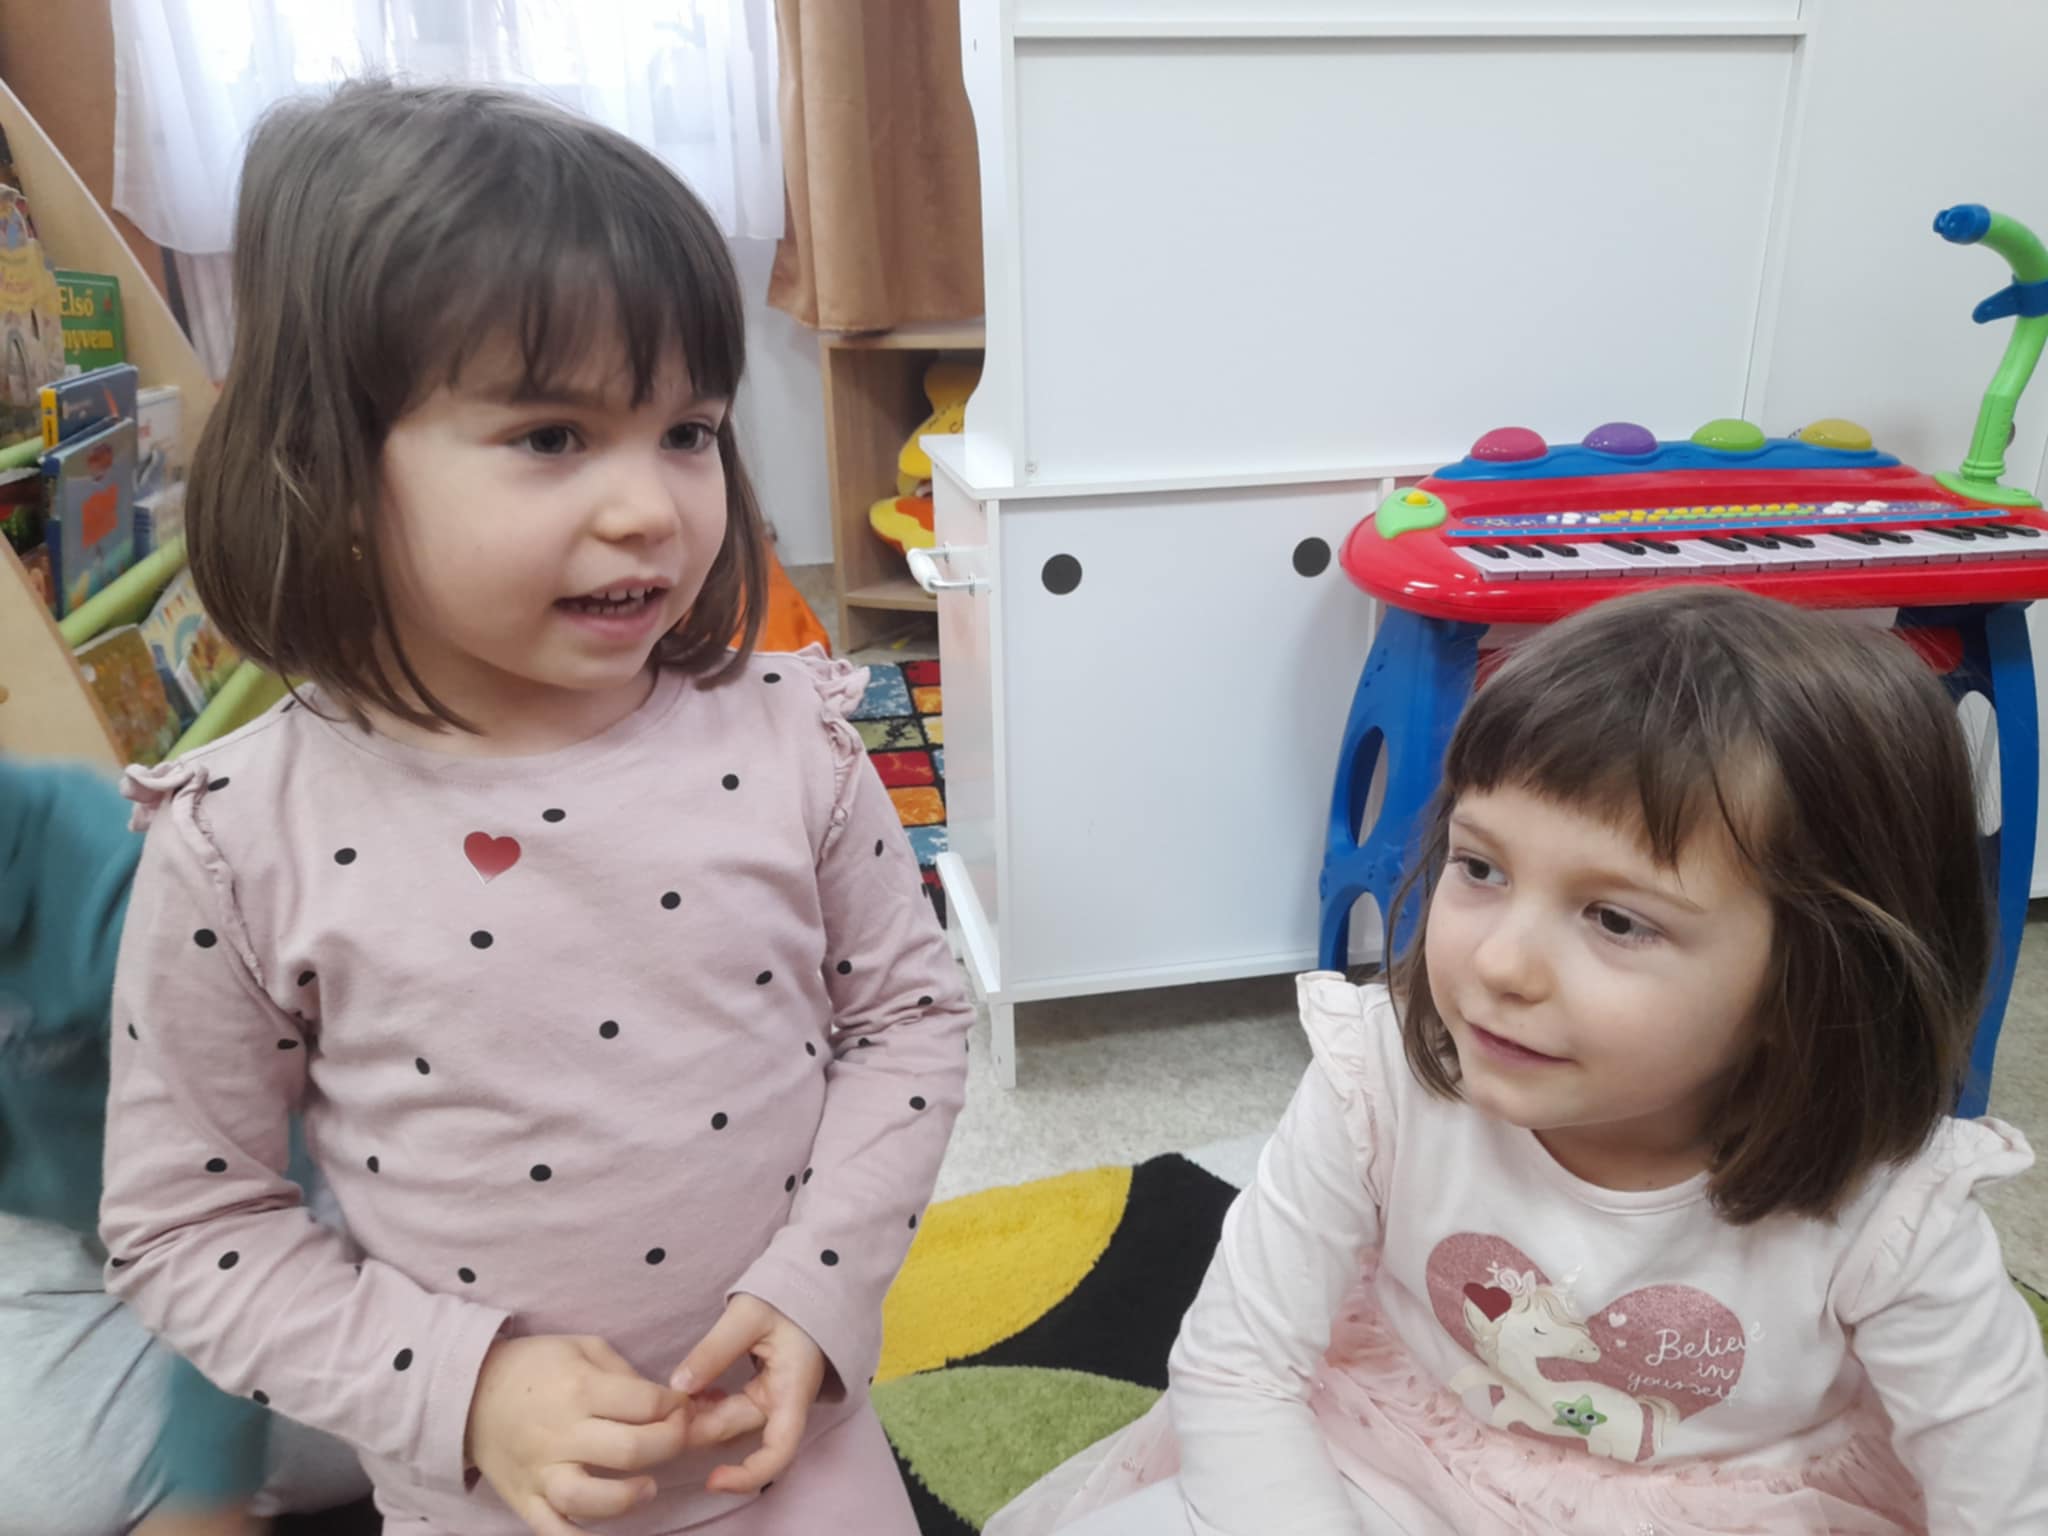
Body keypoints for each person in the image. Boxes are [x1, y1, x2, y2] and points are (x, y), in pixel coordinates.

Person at [98, 79, 971, 1536]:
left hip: (794, 1443)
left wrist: (820, 1286)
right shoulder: (237, 841)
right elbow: (186, 1221)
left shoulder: (796, 741)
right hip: (489, 1495)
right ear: (331, 466)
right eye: (553, 436)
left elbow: (909, 1021)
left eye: (687, 430)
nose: (651, 508)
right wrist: (463, 1390)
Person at [989, 587, 2048, 1534]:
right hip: (1396, 1450)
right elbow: (1237, 1366)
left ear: (1816, 977)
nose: (1498, 963)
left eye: (1616, 920)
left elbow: (2004, 1494)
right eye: (1481, 867)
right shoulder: (1378, 1077)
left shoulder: (1895, 1214)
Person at [0, 754, 367, 1534]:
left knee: (58, 1493)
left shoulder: (117, 876)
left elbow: (248, 1206)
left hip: (276, 1199)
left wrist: (210, 1489)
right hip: (77, 1226)